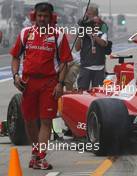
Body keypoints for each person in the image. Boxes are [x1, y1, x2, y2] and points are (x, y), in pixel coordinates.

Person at [10, 2, 72, 169]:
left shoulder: (58, 35)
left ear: (51, 18)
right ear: (34, 16)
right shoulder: (25, 33)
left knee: (46, 121)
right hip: (28, 83)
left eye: (45, 16)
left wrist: (60, 84)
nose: (42, 19)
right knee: (29, 120)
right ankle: (35, 154)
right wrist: (15, 76)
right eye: (39, 16)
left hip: (49, 83)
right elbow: (15, 57)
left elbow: (65, 62)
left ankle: (41, 158)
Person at [76, 3, 108, 91]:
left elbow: (104, 43)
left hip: (99, 67)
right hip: (85, 66)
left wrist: (92, 34)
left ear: (96, 16)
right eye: (86, 14)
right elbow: (77, 48)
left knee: (98, 93)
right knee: (81, 92)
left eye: (89, 14)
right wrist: (80, 33)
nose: (87, 16)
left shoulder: (102, 25)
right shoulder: (84, 26)